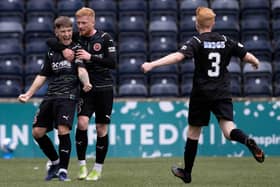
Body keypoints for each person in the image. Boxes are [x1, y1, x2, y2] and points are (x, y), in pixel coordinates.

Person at [141, 7, 265, 184]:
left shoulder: (196, 41)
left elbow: (178, 56)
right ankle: (246, 140)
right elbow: (246, 55)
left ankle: (187, 173)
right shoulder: (225, 40)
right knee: (228, 129)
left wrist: (152, 64)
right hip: (222, 91)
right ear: (213, 23)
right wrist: (256, 62)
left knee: (193, 132)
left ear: (196, 23)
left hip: (201, 93)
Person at [18, 16, 92, 181]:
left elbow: (81, 70)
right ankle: (55, 161)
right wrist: (28, 94)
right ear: (57, 32)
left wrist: (86, 82)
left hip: (68, 96)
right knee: (37, 132)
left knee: (63, 130)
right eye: (63, 31)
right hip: (51, 95)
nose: (66, 34)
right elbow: (42, 75)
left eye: (68, 31)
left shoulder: (77, 48)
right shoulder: (52, 51)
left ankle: (63, 171)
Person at [46, 7, 117, 181]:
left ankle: (97, 169)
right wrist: (62, 50)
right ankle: (82, 165)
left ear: (93, 21)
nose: (80, 26)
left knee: (101, 129)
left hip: (105, 89)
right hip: (86, 89)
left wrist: (90, 56)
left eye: (83, 23)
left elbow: (112, 63)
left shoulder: (105, 38)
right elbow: (51, 41)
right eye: (78, 23)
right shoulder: (76, 38)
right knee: (82, 123)